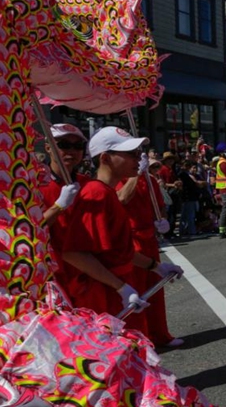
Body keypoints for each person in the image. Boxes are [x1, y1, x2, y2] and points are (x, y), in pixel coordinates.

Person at [62, 127, 183, 326]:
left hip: (116, 287)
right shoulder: (96, 194)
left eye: (138, 153)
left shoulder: (106, 192)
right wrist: (120, 287)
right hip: (103, 294)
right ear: (105, 158)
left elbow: (118, 250)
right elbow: (74, 253)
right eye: (130, 154)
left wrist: (156, 266)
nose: (138, 159)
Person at [116, 150, 181, 347]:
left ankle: (160, 334)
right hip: (130, 240)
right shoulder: (120, 179)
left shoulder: (151, 181)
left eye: (139, 157)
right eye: (133, 158)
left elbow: (159, 206)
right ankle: (140, 339)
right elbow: (121, 198)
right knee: (135, 291)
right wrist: (136, 176)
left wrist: (162, 221)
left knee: (155, 289)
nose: (138, 162)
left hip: (149, 238)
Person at [39, 124, 90, 289]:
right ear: (48, 147)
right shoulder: (33, 183)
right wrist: (58, 206)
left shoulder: (88, 184)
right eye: (64, 145)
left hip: (88, 273)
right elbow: (31, 230)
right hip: (51, 275)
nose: (72, 151)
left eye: (78, 146)